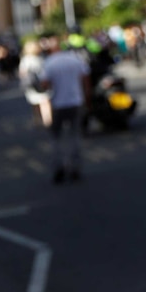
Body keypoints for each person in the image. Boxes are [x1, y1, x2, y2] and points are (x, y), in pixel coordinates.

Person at [39, 36, 91, 184]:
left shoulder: (49, 63)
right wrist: (87, 98)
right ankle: (75, 167)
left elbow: (45, 84)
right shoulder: (75, 59)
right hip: (75, 101)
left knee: (56, 138)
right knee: (74, 135)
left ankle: (59, 167)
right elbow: (86, 78)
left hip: (58, 104)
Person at [18, 40, 52, 128]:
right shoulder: (40, 58)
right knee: (45, 102)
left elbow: (22, 73)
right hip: (41, 83)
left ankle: (37, 119)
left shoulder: (25, 60)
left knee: (35, 103)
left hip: (31, 84)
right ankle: (47, 119)